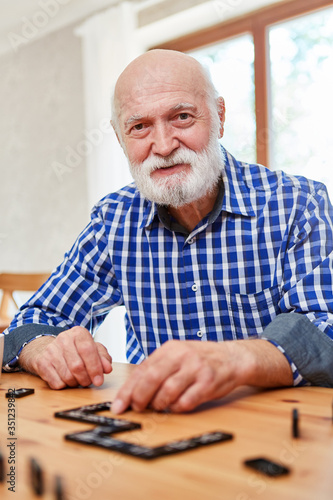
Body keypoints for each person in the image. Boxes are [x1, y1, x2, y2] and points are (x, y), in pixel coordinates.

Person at [2, 49, 333, 414]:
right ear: (119, 137)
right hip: (160, 427)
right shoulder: (113, 219)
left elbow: (324, 328)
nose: (163, 146)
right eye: (139, 126)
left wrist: (232, 359)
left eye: (182, 117)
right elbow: (32, 320)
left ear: (219, 117)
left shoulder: (299, 203)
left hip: (278, 427)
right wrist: (46, 348)